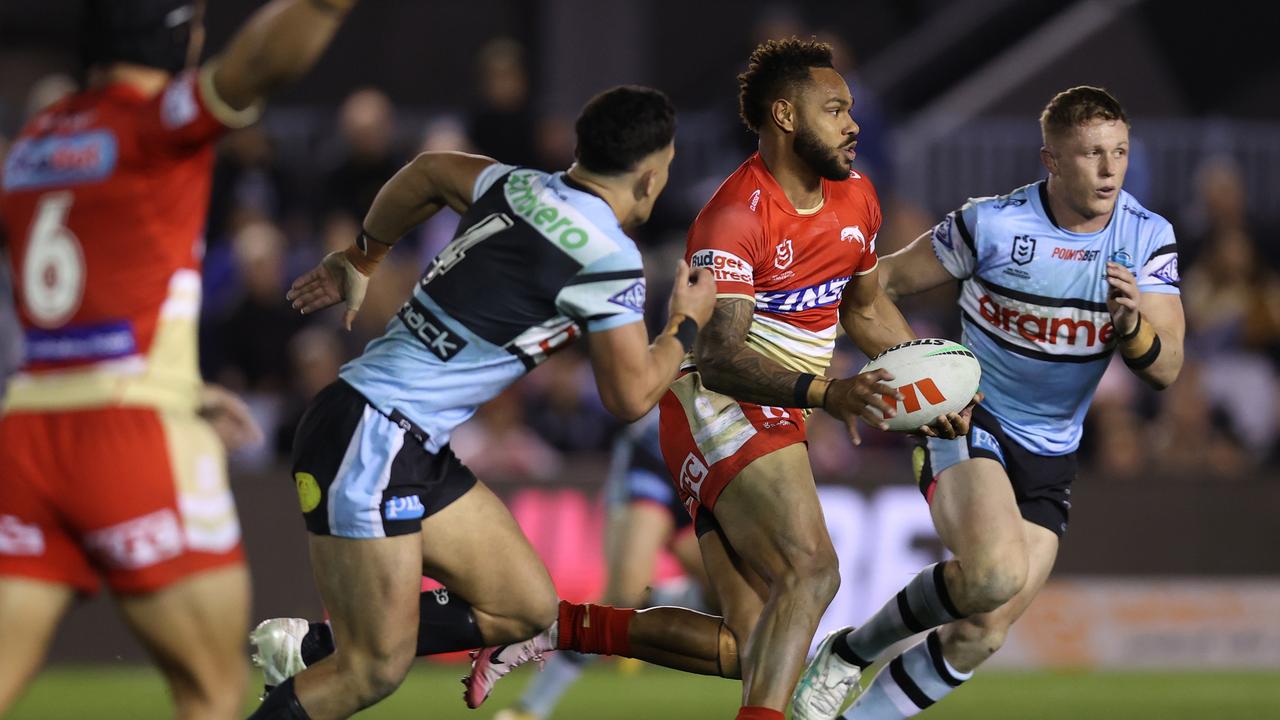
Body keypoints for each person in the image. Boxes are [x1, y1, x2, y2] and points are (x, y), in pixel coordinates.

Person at [464, 38, 973, 720]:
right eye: (835, 109)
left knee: (750, 643)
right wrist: (831, 393)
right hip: (718, 406)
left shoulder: (858, 199)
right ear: (786, 117)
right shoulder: (735, 217)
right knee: (814, 571)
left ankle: (559, 627)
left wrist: (918, 389)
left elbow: (864, 307)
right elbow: (724, 354)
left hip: (776, 414)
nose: (853, 124)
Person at [247, 85, 716, 720]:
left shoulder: (518, 186)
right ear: (653, 172)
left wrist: (364, 254)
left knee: (524, 607)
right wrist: (683, 324)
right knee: (371, 672)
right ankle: (329, 654)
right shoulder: (608, 257)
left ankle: (312, 646)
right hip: (376, 435)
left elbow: (430, 170)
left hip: (394, 431)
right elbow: (631, 395)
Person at [0, 0, 358, 717]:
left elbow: (94, 286)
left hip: (25, 433)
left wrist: (183, 386)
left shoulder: (34, 142)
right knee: (213, 687)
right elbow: (263, 62)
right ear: (180, 40)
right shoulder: (156, 120)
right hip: (129, 434)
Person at [790, 86, 1185, 720]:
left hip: (1053, 452)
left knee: (983, 630)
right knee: (993, 573)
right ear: (1051, 160)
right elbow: (876, 284)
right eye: (1090, 154)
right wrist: (892, 373)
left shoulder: (1146, 237)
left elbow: (1166, 366)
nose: (1110, 169)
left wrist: (1132, 325)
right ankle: (851, 653)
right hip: (974, 421)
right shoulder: (993, 224)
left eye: (1119, 152)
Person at [493, 409, 712, 720]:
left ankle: (660, 599)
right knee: (625, 595)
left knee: (723, 594)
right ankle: (532, 707)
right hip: (655, 450)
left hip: (712, 452)